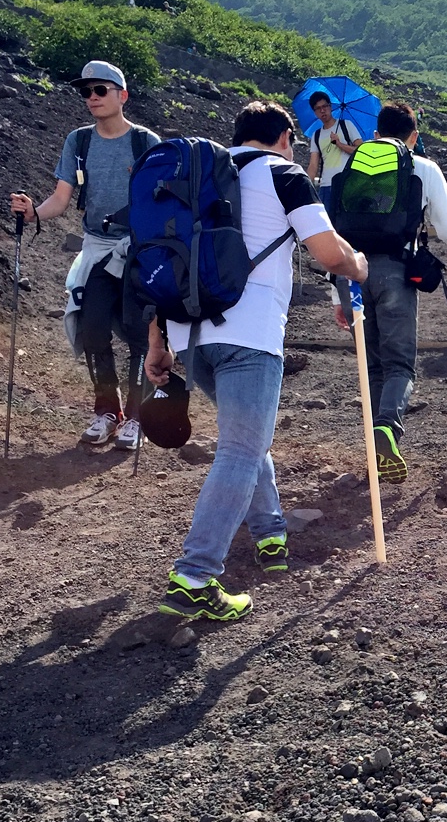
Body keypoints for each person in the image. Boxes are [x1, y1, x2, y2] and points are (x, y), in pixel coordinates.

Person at [146, 101, 368, 624]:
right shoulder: (286, 174)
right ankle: (195, 576)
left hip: (189, 334)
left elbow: (159, 253)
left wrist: (157, 342)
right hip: (251, 336)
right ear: (285, 138)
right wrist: (357, 268)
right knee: (242, 448)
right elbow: (329, 253)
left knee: (249, 439)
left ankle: (270, 536)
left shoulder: (199, 173)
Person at [11, 60, 160, 448]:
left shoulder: (147, 143)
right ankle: (108, 412)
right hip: (97, 249)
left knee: (139, 336)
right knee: (92, 330)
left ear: (122, 95)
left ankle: (138, 417)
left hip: (139, 252)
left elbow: (163, 202)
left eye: (100, 90)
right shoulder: (79, 141)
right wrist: (32, 214)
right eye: (86, 92)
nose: (92, 98)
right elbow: (61, 199)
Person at [332, 100, 447, 483]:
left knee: (374, 364)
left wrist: (337, 295)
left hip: (353, 275)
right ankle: (387, 429)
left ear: (376, 132)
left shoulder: (349, 167)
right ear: (413, 135)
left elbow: (333, 232)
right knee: (400, 364)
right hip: (396, 272)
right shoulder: (422, 168)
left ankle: (376, 443)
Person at [305, 92, 362, 214]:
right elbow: (313, 165)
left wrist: (340, 144)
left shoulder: (346, 125)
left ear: (330, 106)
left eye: (324, 106)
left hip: (347, 183)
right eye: (318, 108)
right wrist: (306, 186)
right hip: (326, 185)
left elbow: (361, 151)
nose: (322, 111)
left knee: (347, 223)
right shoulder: (317, 135)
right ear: (315, 112)